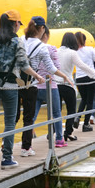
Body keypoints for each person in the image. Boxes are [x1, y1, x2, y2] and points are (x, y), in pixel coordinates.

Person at [0, 11, 43, 167]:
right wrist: (38, 77)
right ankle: (6, 158)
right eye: (18, 24)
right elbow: (24, 65)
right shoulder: (16, 41)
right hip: (9, 85)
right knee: (9, 122)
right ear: (15, 24)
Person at [20, 16, 61, 156]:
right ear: (42, 28)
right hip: (31, 83)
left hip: (15, 82)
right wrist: (66, 77)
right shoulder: (43, 47)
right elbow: (52, 68)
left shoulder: (20, 39)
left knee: (12, 116)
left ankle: (4, 145)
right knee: (28, 116)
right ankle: (26, 148)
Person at [33, 27, 73, 147]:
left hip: (35, 85)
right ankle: (59, 140)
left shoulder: (32, 48)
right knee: (56, 113)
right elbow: (56, 67)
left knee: (32, 116)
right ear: (46, 35)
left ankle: (27, 143)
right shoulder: (51, 48)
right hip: (51, 85)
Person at [57, 32, 95, 141]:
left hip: (55, 84)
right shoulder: (72, 53)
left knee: (57, 110)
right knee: (71, 110)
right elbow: (82, 65)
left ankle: (54, 131)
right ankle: (68, 133)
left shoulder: (56, 51)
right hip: (68, 84)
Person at [74, 31, 95, 131]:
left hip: (79, 78)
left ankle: (77, 117)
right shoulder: (90, 49)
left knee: (83, 99)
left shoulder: (74, 51)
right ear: (84, 40)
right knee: (90, 101)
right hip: (90, 77)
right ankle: (86, 124)